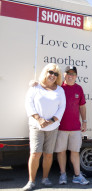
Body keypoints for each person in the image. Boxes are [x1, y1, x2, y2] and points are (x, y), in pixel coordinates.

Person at [23, 63, 66, 191]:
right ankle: (31, 181)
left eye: (56, 74)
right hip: (37, 126)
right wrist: (39, 119)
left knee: (48, 154)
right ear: (45, 73)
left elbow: (62, 108)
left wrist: (52, 120)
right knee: (35, 153)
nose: (52, 75)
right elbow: (29, 103)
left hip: (52, 127)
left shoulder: (60, 90)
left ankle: (45, 178)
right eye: (50, 72)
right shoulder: (35, 87)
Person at [54, 66, 89, 185]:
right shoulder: (58, 88)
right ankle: (63, 175)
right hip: (60, 127)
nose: (71, 75)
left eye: (73, 74)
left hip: (75, 128)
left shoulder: (79, 88)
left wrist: (84, 121)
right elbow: (45, 87)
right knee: (61, 151)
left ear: (76, 76)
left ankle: (77, 176)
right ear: (64, 75)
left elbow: (82, 106)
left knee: (75, 151)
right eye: (68, 73)